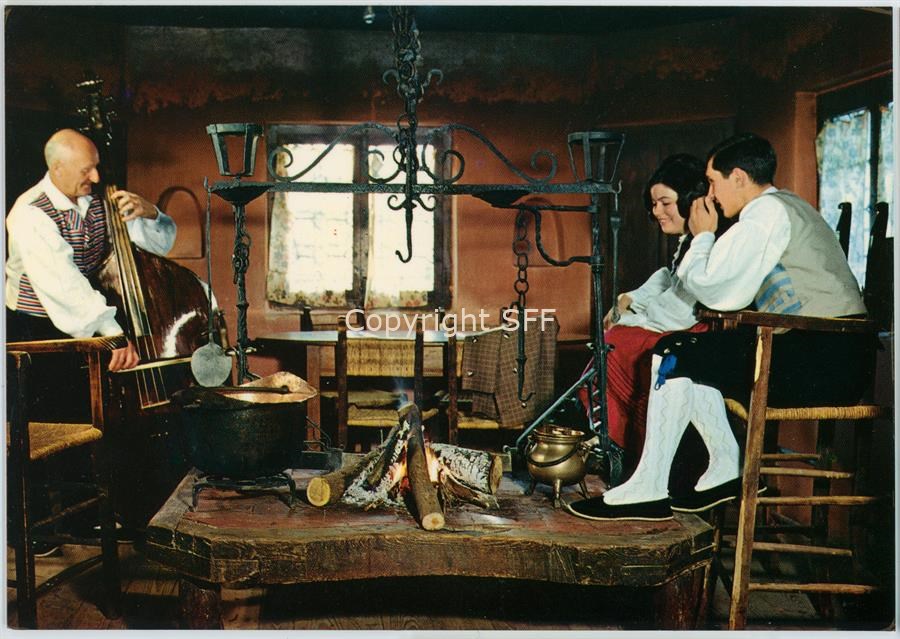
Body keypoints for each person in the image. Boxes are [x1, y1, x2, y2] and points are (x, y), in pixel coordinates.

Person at [567, 132, 872, 521]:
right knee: (694, 358)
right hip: (834, 352)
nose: (709, 193)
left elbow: (715, 290)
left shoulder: (765, 213)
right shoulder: (784, 206)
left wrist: (704, 236)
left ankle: (651, 487)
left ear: (739, 177)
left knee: (675, 352)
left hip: (825, 358)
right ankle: (718, 466)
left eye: (713, 182)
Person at [578, 154, 712, 477]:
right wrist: (628, 300)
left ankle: (623, 441)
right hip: (678, 325)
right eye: (654, 205)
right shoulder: (688, 243)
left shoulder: (706, 245)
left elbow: (679, 309)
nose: (657, 212)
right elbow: (667, 279)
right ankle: (612, 438)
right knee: (611, 340)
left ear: (691, 200)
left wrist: (629, 318)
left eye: (665, 203)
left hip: (693, 333)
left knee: (615, 342)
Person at [6, 128, 177, 371]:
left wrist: (152, 214)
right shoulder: (31, 212)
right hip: (38, 328)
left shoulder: (100, 200)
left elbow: (159, 247)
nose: (96, 177)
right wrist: (112, 333)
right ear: (57, 168)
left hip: (90, 315)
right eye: (86, 170)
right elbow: (62, 283)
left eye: (96, 167)